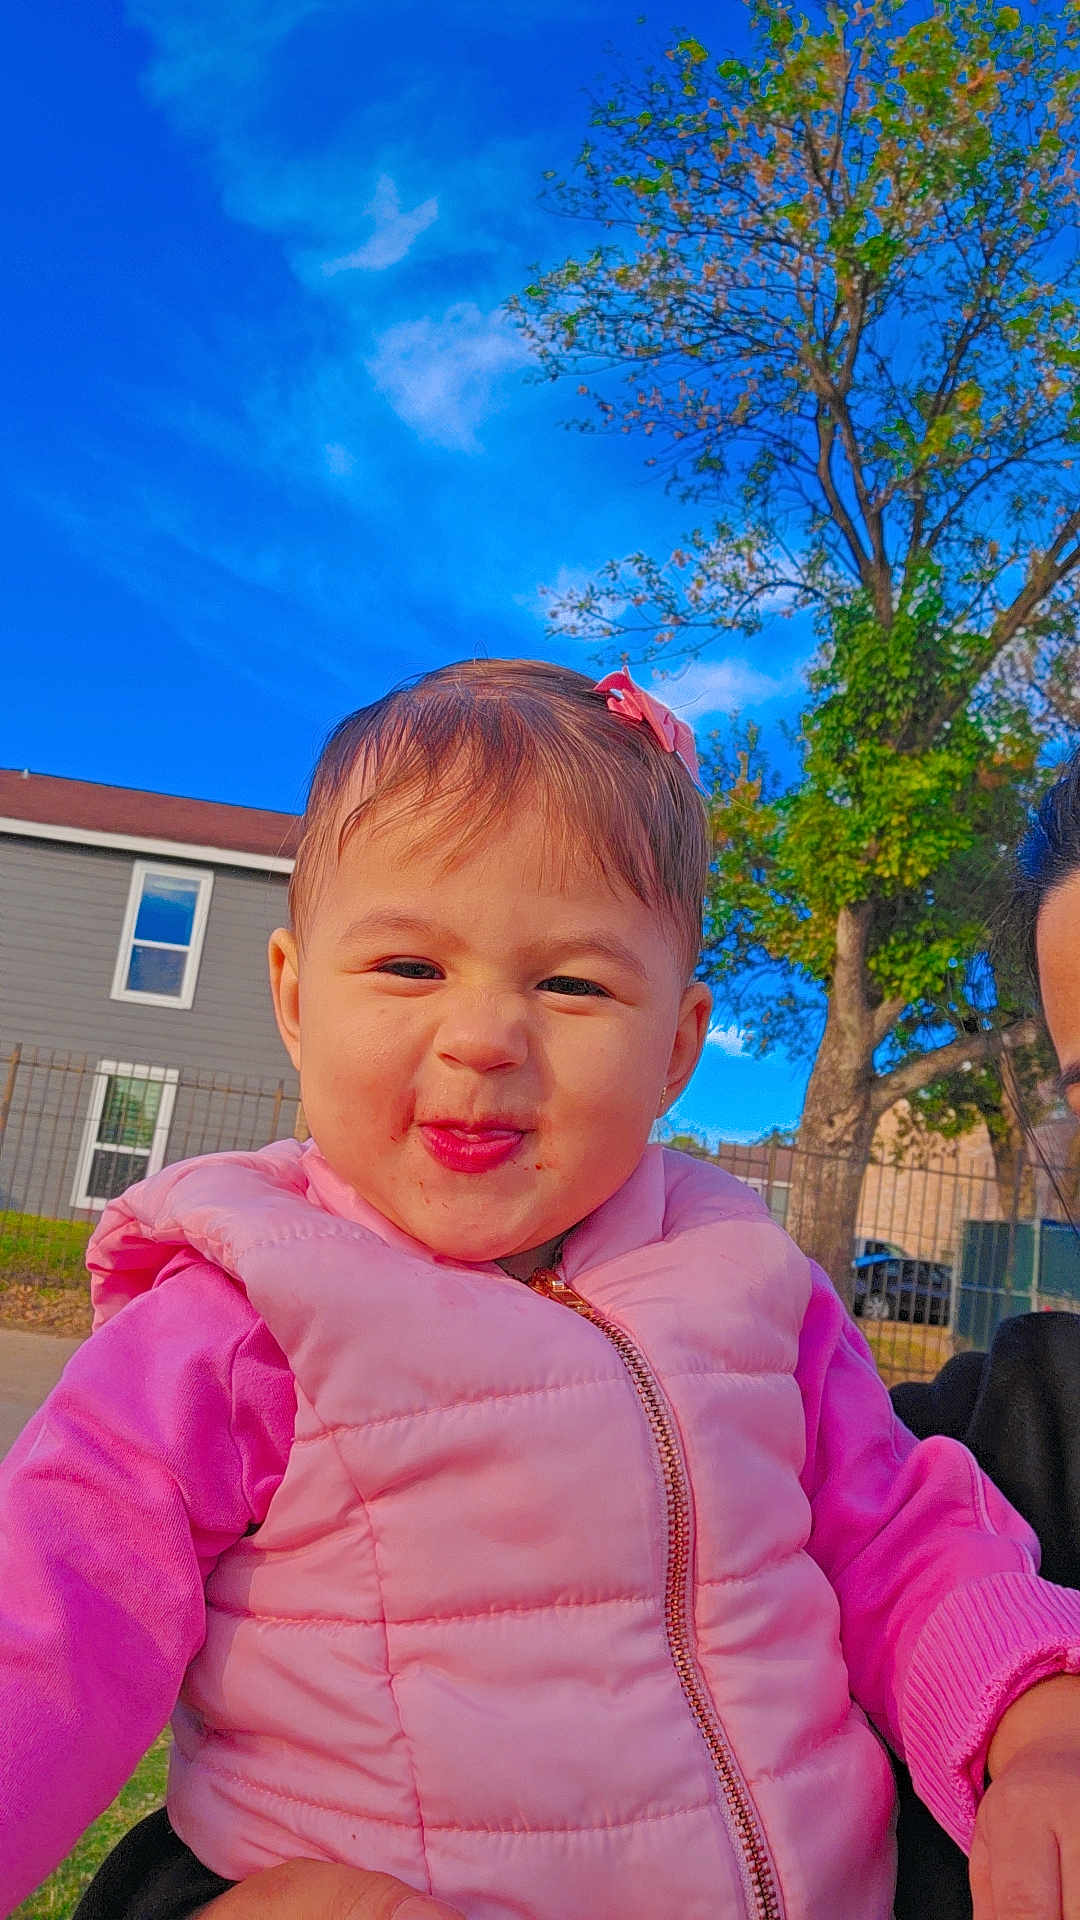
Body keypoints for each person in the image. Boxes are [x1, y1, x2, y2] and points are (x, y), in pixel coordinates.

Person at [5, 660, 1080, 1920]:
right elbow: (50, 1621)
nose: (483, 1036)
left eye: (570, 984)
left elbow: (901, 1533)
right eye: (410, 967)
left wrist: (1036, 1723)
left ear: (678, 1047)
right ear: (295, 997)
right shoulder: (243, 1312)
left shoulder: (748, 1284)